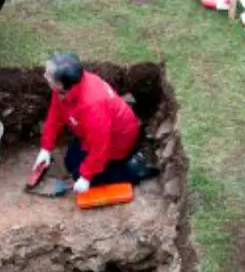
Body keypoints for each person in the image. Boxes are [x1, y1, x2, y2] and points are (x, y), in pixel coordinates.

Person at [33, 52, 156, 194]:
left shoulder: (92, 106)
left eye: (48, 75)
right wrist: (46, 148)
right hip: (92, 133)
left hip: (117, 140)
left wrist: (86, 177)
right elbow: (55, 115)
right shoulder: (66, 88)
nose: (44, 76)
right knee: (71, 161)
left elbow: (100, 146)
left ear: (60, 84)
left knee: (81, 176)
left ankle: (136, 167)